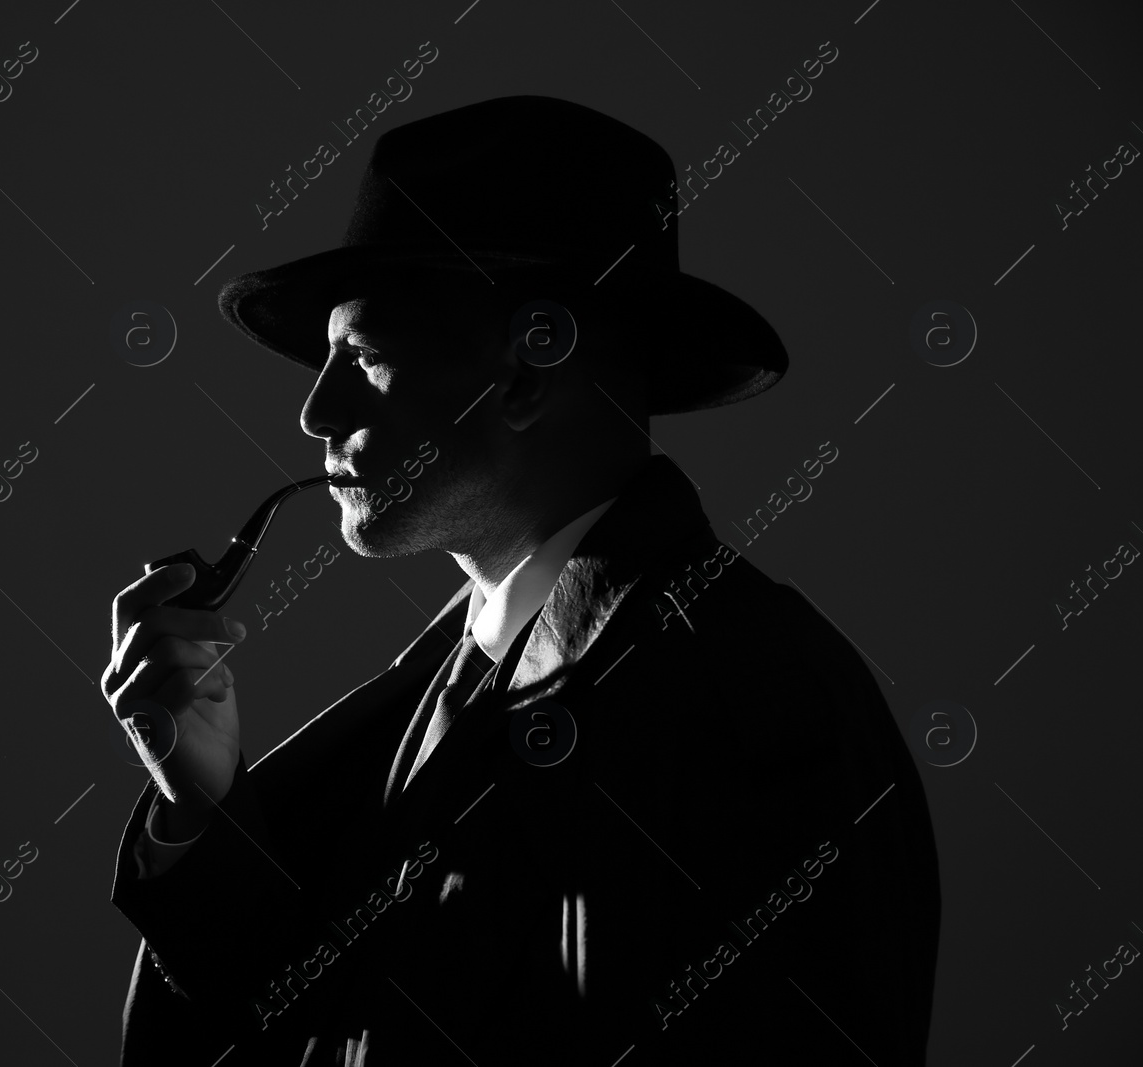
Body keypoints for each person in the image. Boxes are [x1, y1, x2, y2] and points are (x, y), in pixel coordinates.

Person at [102, 96, 940, 1065]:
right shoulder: (437, 694)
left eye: (362, 357)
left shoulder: (756, 698)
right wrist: (201, 803)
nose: (313, 412)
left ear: (529, 375)